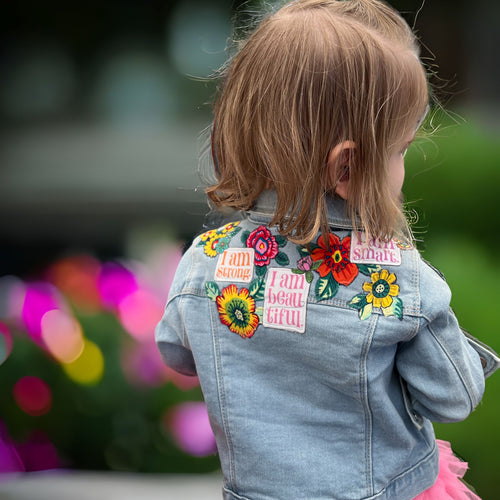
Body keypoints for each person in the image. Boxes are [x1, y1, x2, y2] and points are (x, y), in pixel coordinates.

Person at [155, 1, 499, 498]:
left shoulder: (205, 259)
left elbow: (176, 351)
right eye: (400, 149)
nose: (403, 165)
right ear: (347, 167)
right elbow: (455, 395)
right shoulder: (395, 279)